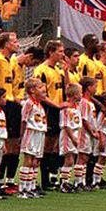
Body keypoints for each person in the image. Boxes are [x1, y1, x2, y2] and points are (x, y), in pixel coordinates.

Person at [0, 32, 24, 195]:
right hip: (0, 105)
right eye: (15, 41)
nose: (18, 44)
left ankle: (7, 181)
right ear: (6, 44)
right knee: (3, 144)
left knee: (13, 144)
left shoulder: (11, 62)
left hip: (11, 104)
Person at [35, 40, 68, 190]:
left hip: (57, 109)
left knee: (53, 146)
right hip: (48, 109)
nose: (62, 54)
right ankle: (41, 180)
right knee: (45, 146)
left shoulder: (58, 69)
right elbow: (40, 93)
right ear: (51, 52)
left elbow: (66, 88)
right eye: (60, 51)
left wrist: (66, 71)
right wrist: (55, 105)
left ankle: (49, 178)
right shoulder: (41, 70)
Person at [19, 78, 48, 199]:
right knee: (28, 159)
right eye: (40, 87)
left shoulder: (39, 105)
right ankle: (23, 189)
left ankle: (31, 187)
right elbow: (24, 120)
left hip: (39, 133)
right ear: (32, 90)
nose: (43, 90)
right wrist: (21, 136)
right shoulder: (29, 103)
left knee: (36, 161)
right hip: (31, 132)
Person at [59, 83, 83, 193]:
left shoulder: (77, 107)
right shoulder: (66, 108)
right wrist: (73, 137)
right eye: (80, 93)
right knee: (68, 159)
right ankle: (64, 183)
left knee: (72, 159)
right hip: (67, 136)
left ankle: (68, 181)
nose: (81, 95)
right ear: (74, 95)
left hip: (75, 133)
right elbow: (65, 124)